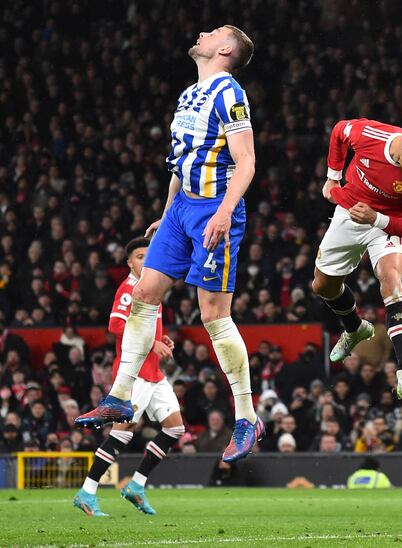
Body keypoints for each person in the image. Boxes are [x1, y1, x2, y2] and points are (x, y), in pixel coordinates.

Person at [75, 26, 263, 463]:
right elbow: (180, 163)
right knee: (143, 294)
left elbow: (247, 160)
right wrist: (168, 210)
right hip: (181, 211)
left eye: (212, 32)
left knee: (213, 314)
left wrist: (222, 212)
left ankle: (247, 416)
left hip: (216, 208)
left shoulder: (229, 94)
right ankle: (120, 396)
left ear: (225, 49)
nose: (202, 32)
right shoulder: (187, 95)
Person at [312, 118, 402, 400]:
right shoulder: (371, 135)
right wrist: (333, 176)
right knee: (322, 286)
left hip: (388, 224)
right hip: (350, 211)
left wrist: (379, 219)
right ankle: (355, 328)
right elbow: (339, 131)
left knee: (392, 282)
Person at [73, 238, 184, 517]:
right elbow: (115, 324)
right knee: (122, 434)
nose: (145, 260)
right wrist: (151, 344)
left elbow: (144, 325)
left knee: (175, 429)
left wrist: (161, 339)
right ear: (129, 263)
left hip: (153, 372)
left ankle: (136, 486)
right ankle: (87, 492)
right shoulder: (129, 287)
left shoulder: (152, 286)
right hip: (135, 373)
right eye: (138, 256)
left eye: (149, 255)